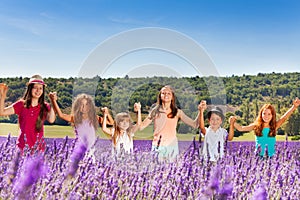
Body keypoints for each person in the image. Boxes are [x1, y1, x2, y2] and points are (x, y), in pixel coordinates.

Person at [139, 85, 200, 161]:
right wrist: (138, 110)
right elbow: (141, 126)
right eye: (163, 93)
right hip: (158, 146)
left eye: (168, 93)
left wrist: (201, 111)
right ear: (160, 96)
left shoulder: (177, 112)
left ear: (172, 97)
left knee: (172, 170)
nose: (166, 95)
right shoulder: (155, 111)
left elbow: (195, 124)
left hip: (172, 146)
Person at [0, 75, 56, 153]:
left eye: (40, 88)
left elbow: (51, 120)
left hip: (38, 150)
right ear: (30, 89)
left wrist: (53, 102)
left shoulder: (45, 106)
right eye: (35, 87)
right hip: (22, 148)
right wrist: (2, 96)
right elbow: (2, 112)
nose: (38, 90)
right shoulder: (21, 105)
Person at [230, 97, 300, 157]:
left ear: (272, 116)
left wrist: (294, 107)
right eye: (264, 113)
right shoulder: (256, 126)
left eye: (269, 114)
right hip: (258, 157)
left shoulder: (274, 127)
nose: (266, 116)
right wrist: (232, 122)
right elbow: (241, 128)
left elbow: (284, 118)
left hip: (271, 157)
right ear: (261, 114)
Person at [49, 93, 114, 155]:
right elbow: (61, 115)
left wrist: (106, 113)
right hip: (79, 148)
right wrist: (53, 100)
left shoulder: (94, 117)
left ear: (90, 106)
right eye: (81, 105)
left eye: (86, 105)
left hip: (91, 149)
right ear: (78, 106)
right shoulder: (75, 118)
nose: (84, 107)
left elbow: (111, 123)